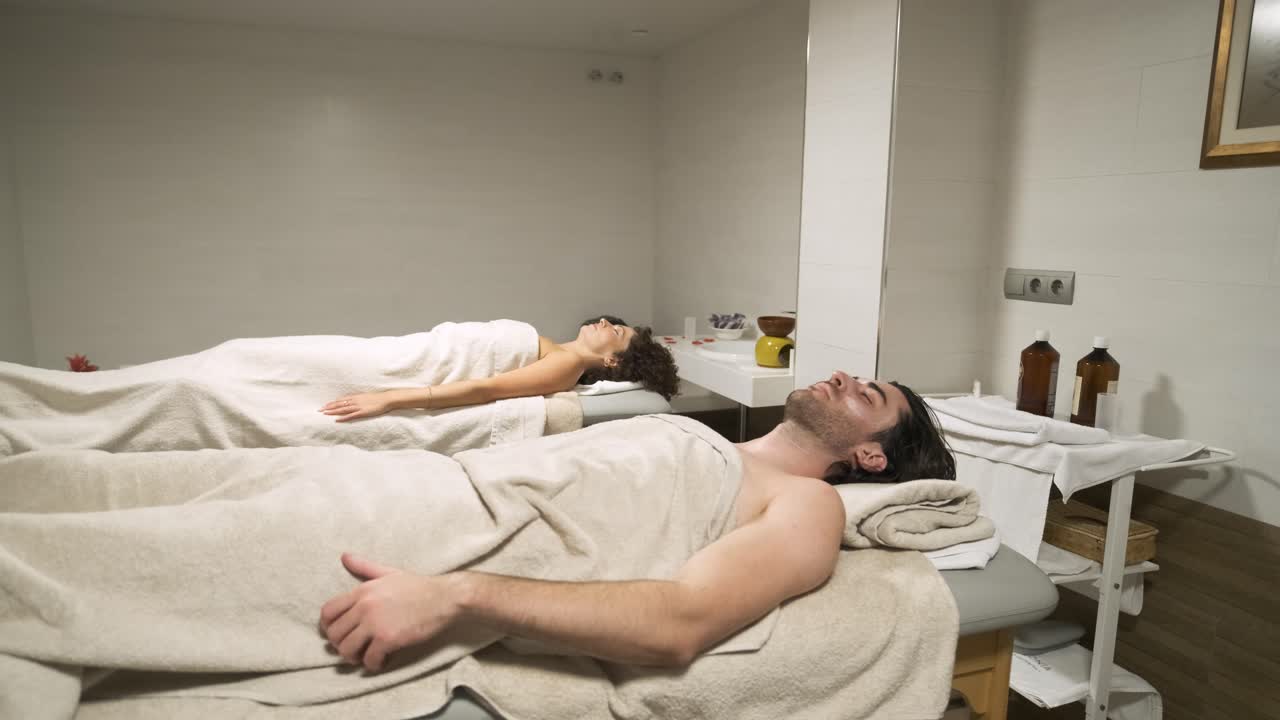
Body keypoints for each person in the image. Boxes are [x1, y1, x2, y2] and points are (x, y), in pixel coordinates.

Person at [319, 371, 954, 671]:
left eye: (865, 395)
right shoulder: (716, 442)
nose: (841, 378)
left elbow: (682, 622)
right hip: (413, 482)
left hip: (427, 531)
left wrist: (457, 592)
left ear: (871, 457)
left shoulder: (809, 502)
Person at [321, 315, 679, 422]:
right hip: (420, 349)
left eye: (615, 332)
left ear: (613, 360)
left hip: (412, 364)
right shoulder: (558, 352)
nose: (604, 322)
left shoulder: (566, 365)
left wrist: (389, 399)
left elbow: (485, 389)